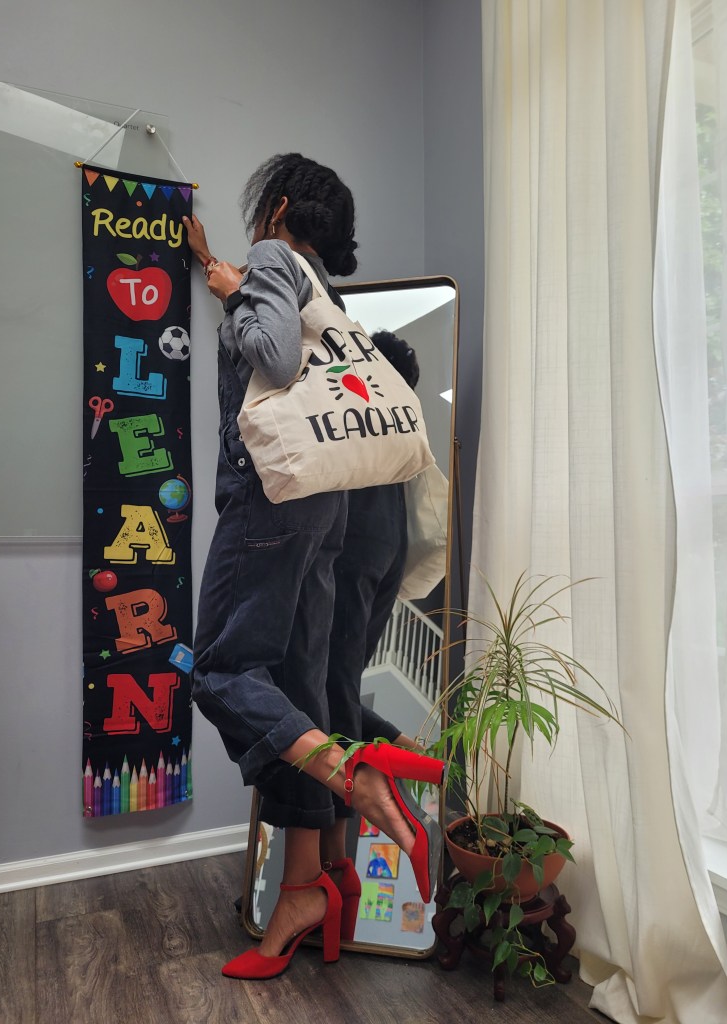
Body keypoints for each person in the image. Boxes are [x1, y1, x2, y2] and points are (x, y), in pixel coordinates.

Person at [182, 153, 444, 980]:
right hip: (327, 509)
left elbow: (274, 359)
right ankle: (312, 884)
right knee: (298, 681)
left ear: (280, 205)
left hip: (272, 501)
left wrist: (236, 289)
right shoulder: (323, 290)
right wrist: (224, 277)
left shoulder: (271, 258)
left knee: (219, 668)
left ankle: (355, 772)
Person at [320, 332, 424, 927]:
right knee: (333, 685)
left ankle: (337, 864)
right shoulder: (400, 420)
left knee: (327, 692)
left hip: (355, 542)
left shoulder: (358, 412)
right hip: (386, 545)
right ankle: (401, 749)